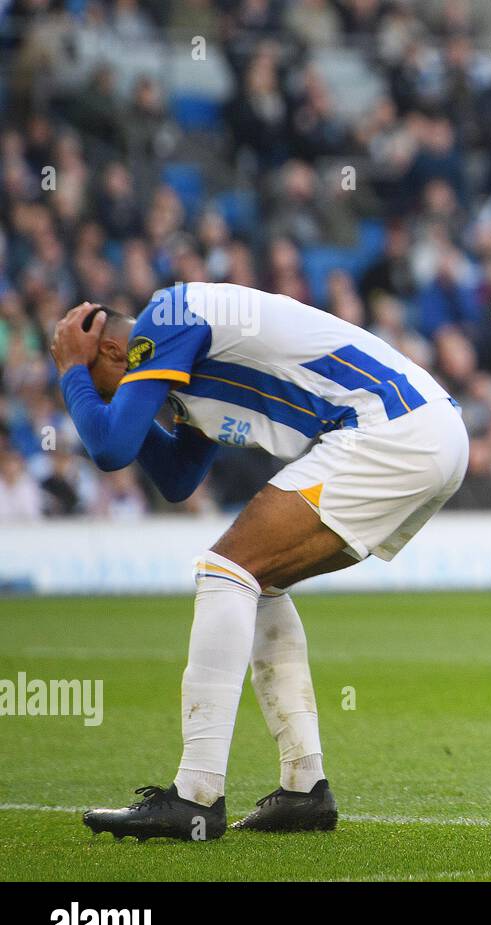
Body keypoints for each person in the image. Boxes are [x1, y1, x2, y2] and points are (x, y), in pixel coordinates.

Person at [51, 283, 468, 840]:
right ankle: (304, 789)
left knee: (224, 569)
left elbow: (110, 446)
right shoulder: (188, 354)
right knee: (255, 578)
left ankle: (196, 795)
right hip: (427, 429)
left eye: (101, 378)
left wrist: (71, 376)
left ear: (109, 352)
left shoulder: (165, 317)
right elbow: (178, 479)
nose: (114, 402)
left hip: (391, 428)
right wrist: (98, 389)